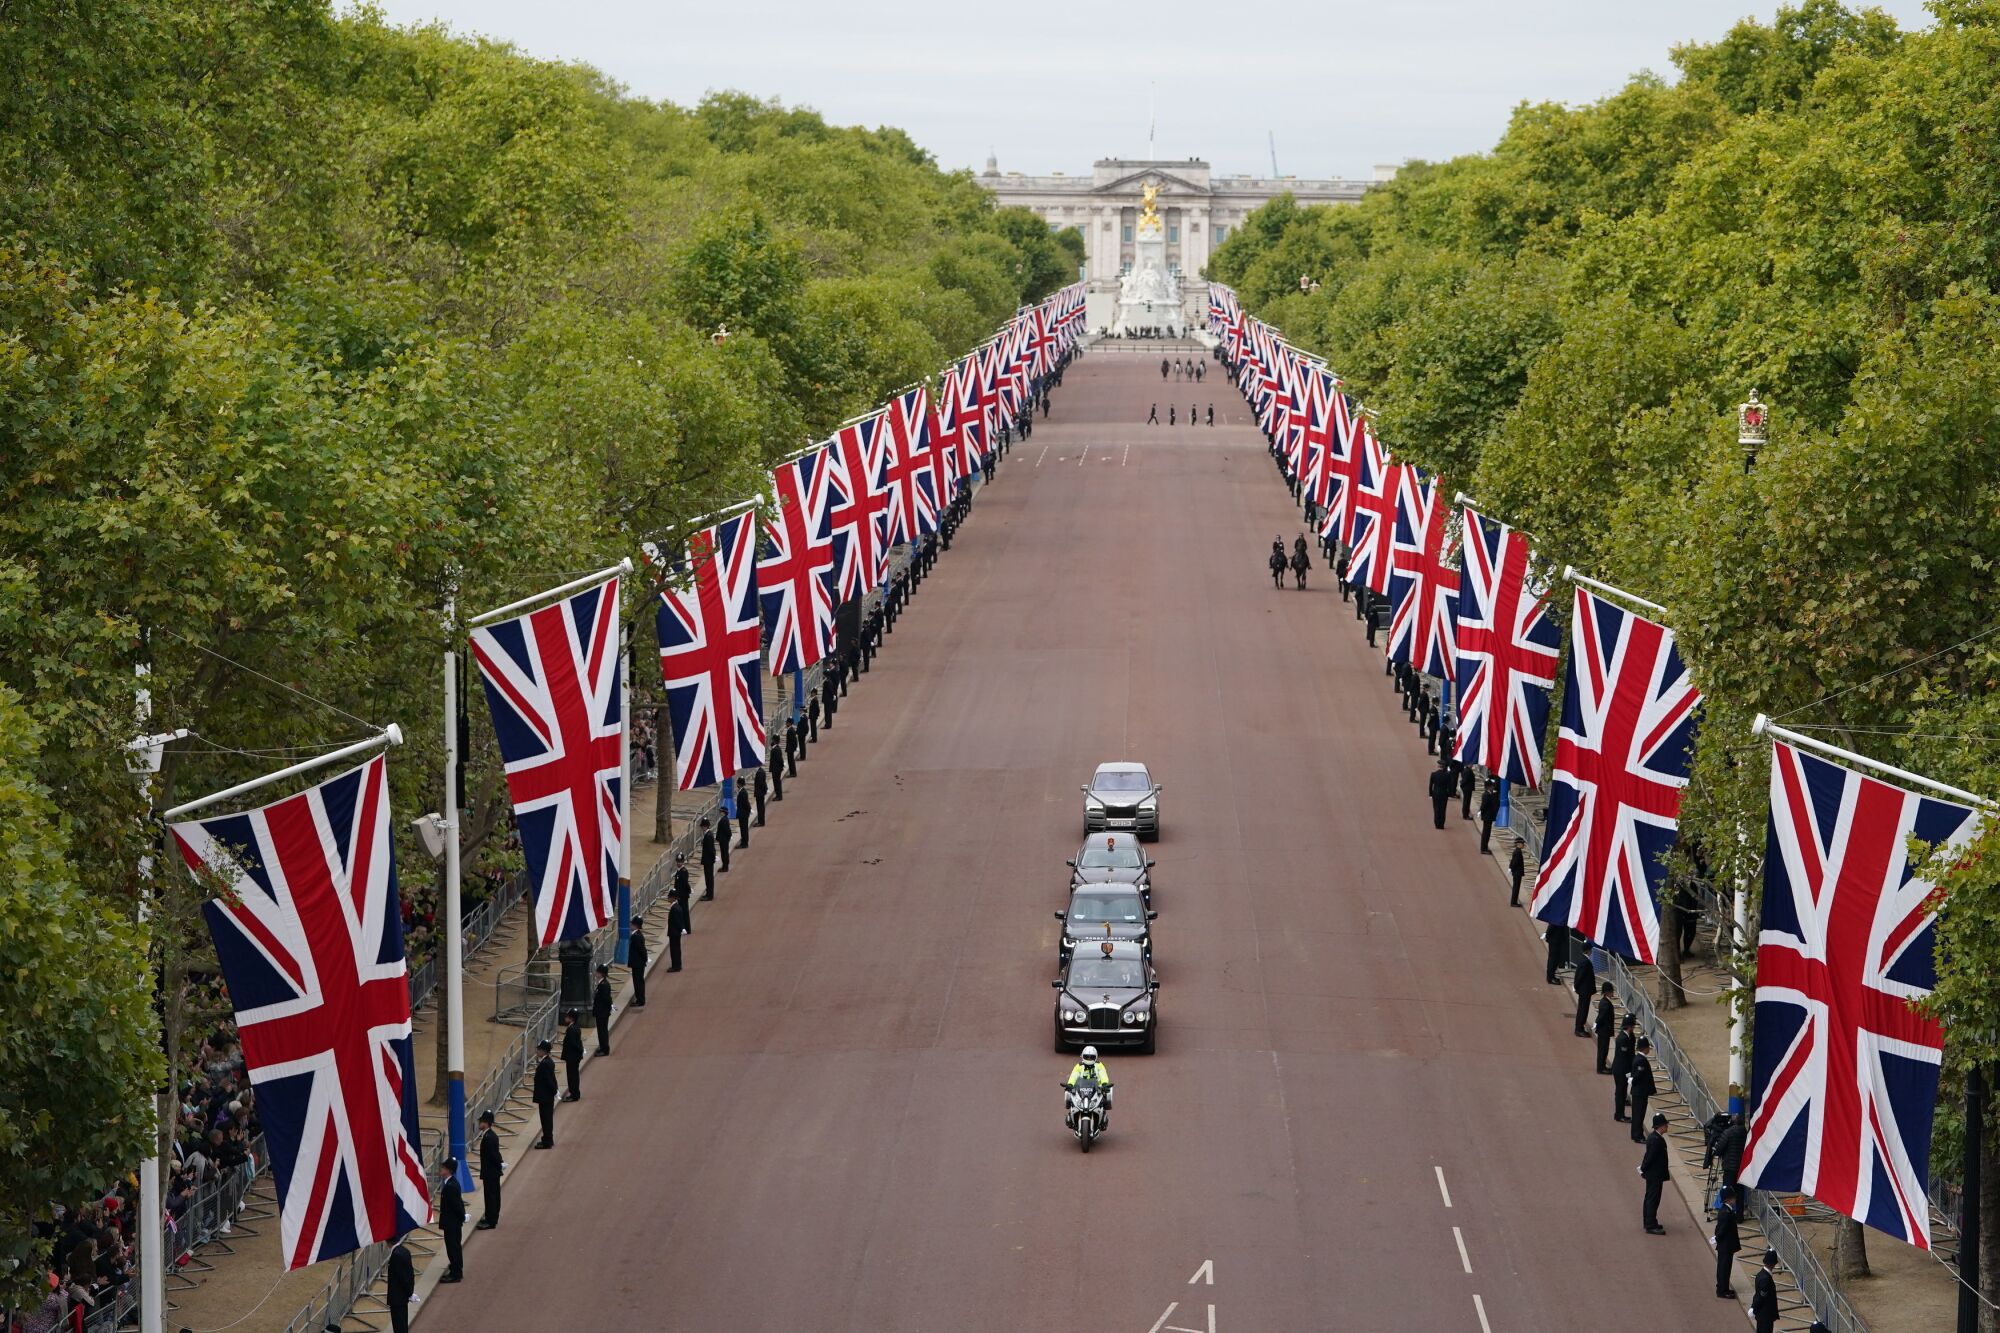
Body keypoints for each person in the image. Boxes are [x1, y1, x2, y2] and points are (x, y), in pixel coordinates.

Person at [1063, 1045, 1114, 1127]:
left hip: (1097, 1089)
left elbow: (1103, 1075)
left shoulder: (1099, 1065)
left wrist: (1104, 1084)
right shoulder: (1079, 1066)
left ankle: (1103, 1116)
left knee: (1108, 1094)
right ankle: (1071, 1116)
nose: (1089, 1059)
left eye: (1091, 1057)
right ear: (1082, 1056)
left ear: (1096, 1057)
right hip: (1081, 1089)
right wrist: (1070, 1084)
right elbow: (1073, 1076)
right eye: (1087, 1057)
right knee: (1068, 1093)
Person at [1639, 1112, 1670, 1234]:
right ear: (1660, 1126)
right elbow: (1649, 1157)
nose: (1667, 1127)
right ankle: (1650, 1224)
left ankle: (1649, 1221)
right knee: (1653, 1199)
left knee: (1650, 1198)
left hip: (1654, 1174)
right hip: (1655, 1174)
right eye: (1665, 1125)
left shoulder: (1654, 1138)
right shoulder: (1656, 1140)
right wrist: (1643, 1168)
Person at [1712, 1186, 1742, 1298]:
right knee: (1724, 1268)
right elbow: (1722, 1229)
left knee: (1724, 1267)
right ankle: (1722, 1290)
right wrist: (1717, 1238)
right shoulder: (1727, 1213)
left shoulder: (1724, 1210)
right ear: (1729, 1199)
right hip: (1726, 1245)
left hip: (1725, 1245)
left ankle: (1722, 1286)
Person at [437, 1160, 464, 1282]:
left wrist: (462, 1217)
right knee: (453, 1247)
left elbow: (457, 1206)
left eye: (443, 1167)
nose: (441, 1169)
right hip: (453, 1222)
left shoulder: (450, 1187)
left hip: (452, 1223)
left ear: (448, 1170)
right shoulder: (451, 1183)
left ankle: (456, 1273)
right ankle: (455, 1268)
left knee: (453, 1248)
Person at [476, 1110, 502, 1228]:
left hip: (490, 1172)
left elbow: (493, 1155)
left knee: (491, 1196)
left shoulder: (489, 1137)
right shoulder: (489, 1135)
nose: (479, 1123)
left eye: (481, 1121)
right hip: (492, 1171)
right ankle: (490, 1216)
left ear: (486, 1123)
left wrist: (499, 1164)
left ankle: (491, 1220)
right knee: (492, 1195)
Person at [1629, 1036, 1657, 1143]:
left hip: (1639, 1092)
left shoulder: (1639, 1058)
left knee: (1638, 1114)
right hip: (1640, 1092)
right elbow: (1638, 1076)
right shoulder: (1641, 1060)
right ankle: (1638, 1135)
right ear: (1644, 1048)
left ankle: (1635, 1133)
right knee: (1639, 1115)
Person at [1611, 1016, 1637, 1121]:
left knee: (1622, 1092)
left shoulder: (1628, 1036)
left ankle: (1620, 1113)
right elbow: (1625, 1057)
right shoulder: (1623, 1039)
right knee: (1620, 1093)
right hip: (1621, 1070)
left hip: (1622, 1069)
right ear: (1629, 1026)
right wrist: (1629, 1071)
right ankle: (1619, 1115)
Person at [386, 1241, 415, 1333]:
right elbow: (410, 1273)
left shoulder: (396, 1255)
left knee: (399, 1327)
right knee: (402, 1324)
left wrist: (409, 1292)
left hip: (397, 1297)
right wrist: (410, 1292)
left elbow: (402, 1277)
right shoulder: (404, 1250)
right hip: (402, 1296)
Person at [532, 1041, 557, 1148]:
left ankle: (547, 1141)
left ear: (543, 1051)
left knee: (546, 1119)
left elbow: (548, 1080)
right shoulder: (548, 1061)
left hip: (545, 1096)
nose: (537, 1051)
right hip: (547, 1096)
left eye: (539, 1049)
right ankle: (548, 1139)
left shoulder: (545, 1063)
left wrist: (554, 1091)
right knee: (547, 1119)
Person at [1572, 944, 1597, 1038]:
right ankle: (1579, 1029)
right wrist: (1576, 986)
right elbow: (1580, 976)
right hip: (1584, 990)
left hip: (1584, 990)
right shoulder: (1585, 962)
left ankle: (1579, 1027)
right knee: (1583, 1010)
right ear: (1588, 951)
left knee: (1582, 1009)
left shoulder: (1584, 960)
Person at [1752, 1251, 1780, 1332]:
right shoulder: (1766, 1279)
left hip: (1761, 1314)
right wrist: (1754, 1308)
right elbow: (1761, 1296)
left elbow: (1758, 1294)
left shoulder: (1760, 1274)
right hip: (1766, 1315)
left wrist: (1753, 1307)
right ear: (1773, 1264)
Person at [559, 1010, 584, 1102]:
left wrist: (579, 1050)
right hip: (574, 1056)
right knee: (574, 1075)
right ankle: (575, 1093)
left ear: (572, 1018)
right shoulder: (575, 1027)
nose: (565, 1017)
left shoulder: (571, 1029)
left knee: (572, 1076)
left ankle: (574, 1094)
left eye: (567, 1016)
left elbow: (573, 1043)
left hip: (572, 1056)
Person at [667, 883, 690, 971]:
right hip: (675, 932)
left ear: (673, 898)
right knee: (676, 949)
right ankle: (677, 965)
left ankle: (675, 966)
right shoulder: (677, 907)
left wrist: (681, 928)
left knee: (674, 950)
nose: (668, 898)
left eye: (670, 896)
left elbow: (677, 921)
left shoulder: (675, 908)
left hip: (674, 932)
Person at [1594, 982, 1616, 1075]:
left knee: (1603, 1049)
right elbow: (1601, 1017)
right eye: (1611, 992)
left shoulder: (1604, 1002)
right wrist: (1597, 1024)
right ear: (1607, 992)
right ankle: (1601, 1068)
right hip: (1604, 1030)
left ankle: (1602, 1066)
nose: (1612, 993)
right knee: (1603, 1050)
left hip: (1604, 1030)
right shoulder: (1605, 1004)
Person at [592, 965, 613, 1056]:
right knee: (601, 1031)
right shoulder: (602, 984)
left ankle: (604, 1049)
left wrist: (606, 1010)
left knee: (602, 1031)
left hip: (602, 1012)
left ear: (601, 974)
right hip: (602, 1012)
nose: (596, 973)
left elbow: (606, 999)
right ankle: (603, 1047)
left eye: (597, 972)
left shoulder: (603, 985)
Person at [628, 916, 648, 1008]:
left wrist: (645, 959)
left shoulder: (636, 937)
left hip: (638, 963)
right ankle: (640, 998)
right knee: (638, 981)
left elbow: (642, 950)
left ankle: (640, 1000)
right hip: (638, 962)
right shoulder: (637, 935)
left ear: (635, 925)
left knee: (638, 982)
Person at [1427, 760, 1454, 829]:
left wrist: (1430, 794)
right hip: (1444, 794)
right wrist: (1450, 795)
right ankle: (1441, 824)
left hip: (1435, 794)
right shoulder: (1447, 775)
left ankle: (1436, 823)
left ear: (1438, 766)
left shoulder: (1433, 774)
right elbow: (1450, 786)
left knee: (1436, 809)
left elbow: (1431, 785)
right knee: (1443, 809)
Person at [699, 818, 716, 900]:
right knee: (708, 877)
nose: (701, 828)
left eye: (702, 826)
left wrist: (712, 858)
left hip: (708, 860)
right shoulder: (708, 834)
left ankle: (709, 895)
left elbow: (710, 849)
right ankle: (709, 893)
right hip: (708, 860)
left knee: (709, 878)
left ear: (705, 826)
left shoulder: (708, 836)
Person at [1508, 839, 1526, 906]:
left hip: (1516, 872)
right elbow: (1515, 862)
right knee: (1516, 887)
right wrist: (1512, 868)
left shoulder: (1516, 851)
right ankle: (1513, 902)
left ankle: (1514, 901)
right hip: (1517, 873)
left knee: (1516, 887)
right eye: (1522, 843)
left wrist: (1510, 868)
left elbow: (1512, 861)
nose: (1523, 845)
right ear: (1519, 844)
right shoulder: (1518, 852)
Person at [735, 776, 751, 848]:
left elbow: (746, 804)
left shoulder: (743, 792)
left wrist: (748, 811)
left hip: (743, 814)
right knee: (743, 828)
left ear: (739, 784)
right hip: (743, 813)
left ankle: (744, 843)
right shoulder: (742, 791)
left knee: (744, 829)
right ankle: (744, 842)